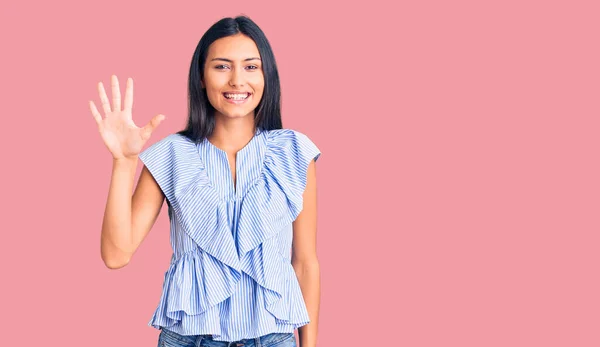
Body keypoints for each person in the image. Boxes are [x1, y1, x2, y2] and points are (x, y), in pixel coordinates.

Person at [89, 15, 321, 347]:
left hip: (274, 339)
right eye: (222, 67)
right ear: (201, 77)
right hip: (190, 339)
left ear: (267, 75)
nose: (237, 81)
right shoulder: (171, 155)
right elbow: (116, 254)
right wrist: (123, 162)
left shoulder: (294, 153)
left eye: (251, 67)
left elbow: (305, 262)